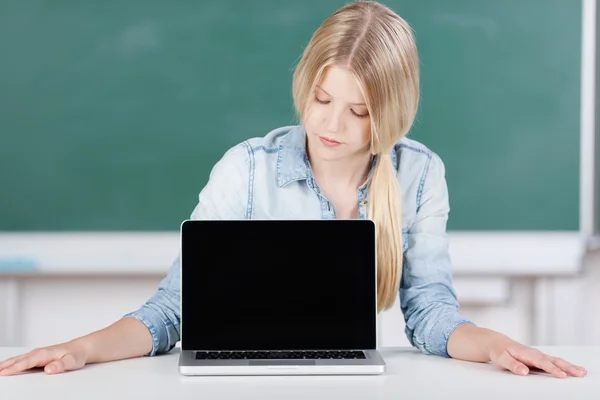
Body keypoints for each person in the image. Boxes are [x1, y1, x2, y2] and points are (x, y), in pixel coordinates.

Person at [0, 0, 587, 378]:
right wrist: (81, 349)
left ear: (390, 112)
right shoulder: (246, 170)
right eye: (321, 99)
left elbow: (429, 312)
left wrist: (494, 347)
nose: (331, 125)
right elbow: (175, 309)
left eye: (358, 111)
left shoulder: (418, 173)